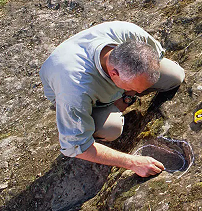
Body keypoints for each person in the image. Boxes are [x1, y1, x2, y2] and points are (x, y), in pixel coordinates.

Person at [39, 21, 185, 177]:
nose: (141, 93)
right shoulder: (74, 91)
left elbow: (156, 61)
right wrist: (133, 162)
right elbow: (76, 147)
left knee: (175, 76)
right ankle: (96, 112)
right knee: (111, 128)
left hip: (113, 78)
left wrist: (129, 95)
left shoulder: (131, 35)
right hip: (76, 89)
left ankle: (126, 91)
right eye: (135, 88)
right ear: (114, 74)